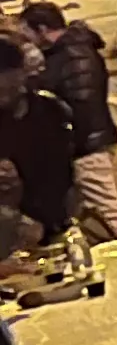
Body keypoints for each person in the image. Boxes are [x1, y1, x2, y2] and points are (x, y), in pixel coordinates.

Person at [16, 2, 117, 239]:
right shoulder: (66, 52)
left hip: (88, 144)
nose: (27, 40)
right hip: (85, 142)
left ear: (42, 29)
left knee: (106, 207)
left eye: (27, 32)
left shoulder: (74, 55)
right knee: (87, 209)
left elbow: (80, 103)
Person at [0, 54, 87, 257]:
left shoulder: (51, 110)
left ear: (20, 74)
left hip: (53, 221)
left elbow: (64, 168)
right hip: (10, 230)